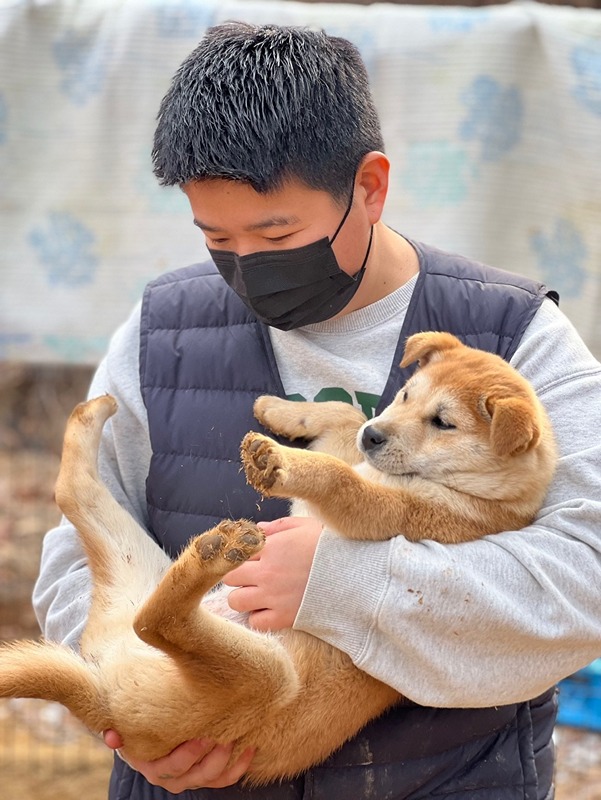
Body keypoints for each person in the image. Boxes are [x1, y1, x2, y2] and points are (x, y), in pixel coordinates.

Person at [33, 21, 601, 800]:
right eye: (215, 236)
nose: (247, 265)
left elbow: (583, 582)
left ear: (369, 185)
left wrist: (344, 581)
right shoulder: (163, 328)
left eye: (278, 232)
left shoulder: (517, 341)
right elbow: (76, 556)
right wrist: (130, 719)